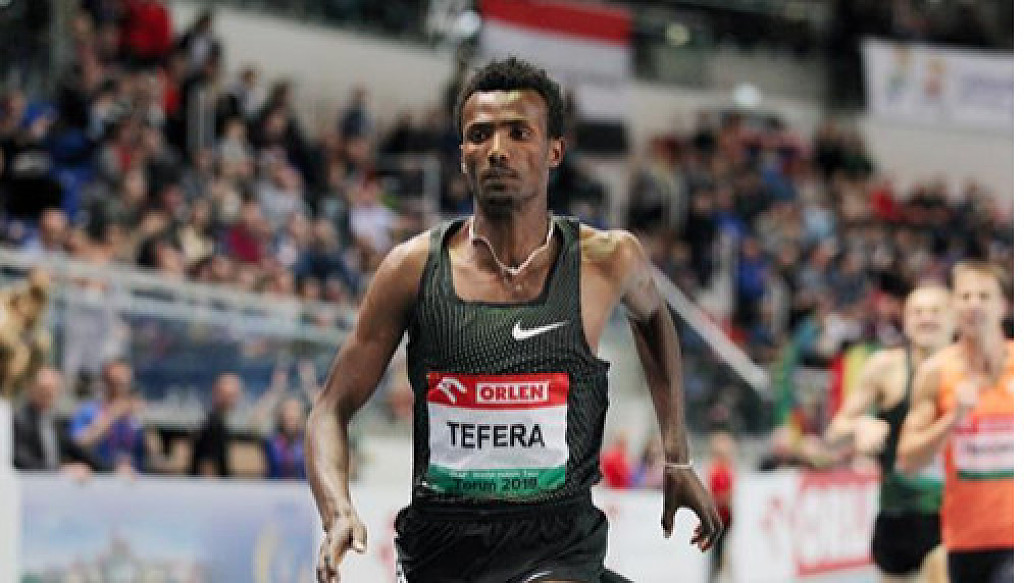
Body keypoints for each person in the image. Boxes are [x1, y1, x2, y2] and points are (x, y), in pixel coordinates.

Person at [306, 57, 721, 583]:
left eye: (519, 133)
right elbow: (329, 409)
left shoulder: (607, 260)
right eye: (479, 135)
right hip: (443, 557)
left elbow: (655, 318)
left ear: (554, 151)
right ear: (462, 154)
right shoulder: (412, 270)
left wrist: (677, 455)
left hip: (560, 549)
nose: (497, 149)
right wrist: (337, 510)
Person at [825, 285, 954, 583]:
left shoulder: (970, 370)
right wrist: (860, 425)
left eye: (935, 311)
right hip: (898, 515)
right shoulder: (885, 367)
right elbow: (833, 433)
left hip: (952, 514)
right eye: (918, 312)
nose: (926, 318)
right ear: (905, 321)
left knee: (941, 568)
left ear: (953, 319)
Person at [898, 262, 1013, 583]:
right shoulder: (936, 372)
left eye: (984, 296)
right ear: (954, 307)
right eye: (965, 296)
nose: (974, 304)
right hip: (965, 540)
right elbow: (908, 460)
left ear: (1003, 305)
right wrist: (952, 420)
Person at [13, 366, 100, 473]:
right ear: (31, 390)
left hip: (55, 481)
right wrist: (59, 470)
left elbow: (77, 452)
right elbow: (21, 461)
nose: (49, 394)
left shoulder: (57, 421)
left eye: (54, 389)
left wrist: (111, 469)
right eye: (44, 389)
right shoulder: (19, 421)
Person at [69, 359, 148, 473]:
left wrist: (146, 422)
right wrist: (112, 415)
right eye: (113, 382)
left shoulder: (136, 411)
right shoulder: (87, 410)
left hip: (134, 475)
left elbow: (152, 450)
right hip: (100, 474)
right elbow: (78, 444)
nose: (118, 387)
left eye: (123, 383)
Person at [190, 372, 242, 477]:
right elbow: (207, 466)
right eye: (229, 396)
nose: (233, 400)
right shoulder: (212, 425)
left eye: (234, 395)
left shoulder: (224, 421)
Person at [264, 396, 306, 479]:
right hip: (277, 484)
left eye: (294, 411)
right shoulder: (271, 441)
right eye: (287, 411)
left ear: (301, 416)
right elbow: (254, 425)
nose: (290, 415)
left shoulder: (307, 442)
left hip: (303, 485)